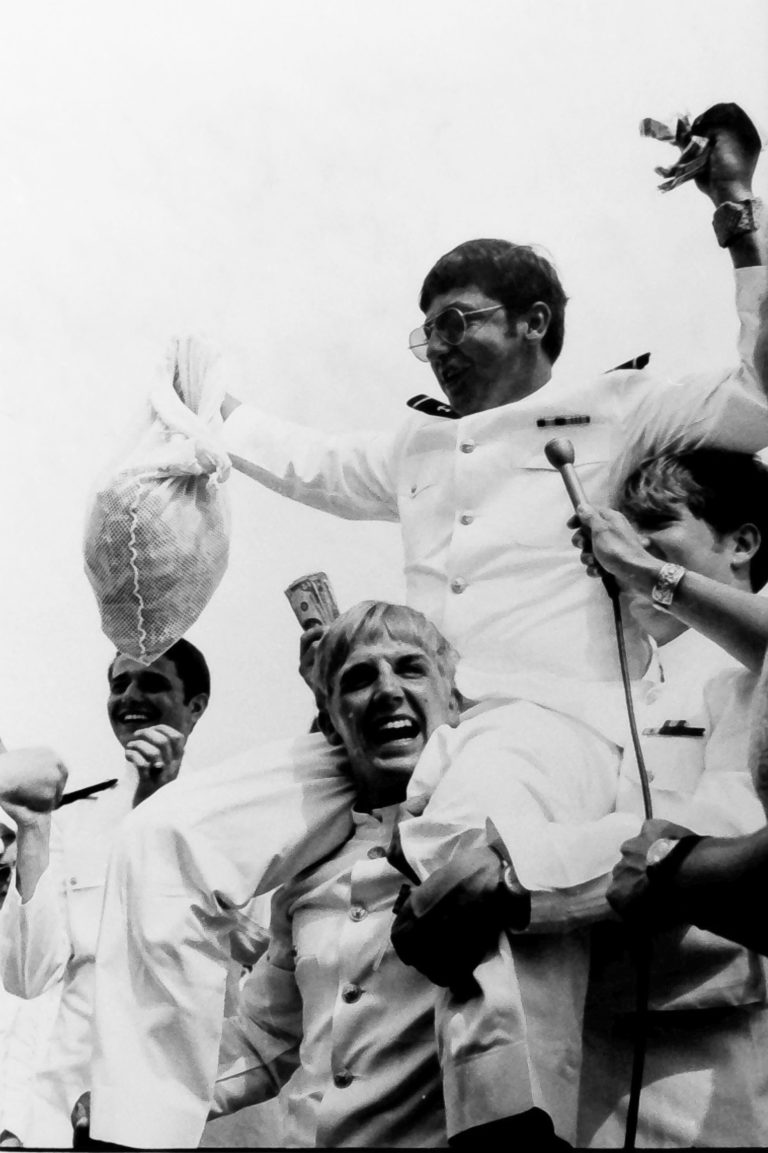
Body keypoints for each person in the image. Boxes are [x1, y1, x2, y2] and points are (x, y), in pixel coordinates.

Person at [88, 105, 768, 1148]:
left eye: (458, 322)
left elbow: (757, 390)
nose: (439, 348)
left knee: (470, 852)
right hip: (408, 720)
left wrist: (739, 213)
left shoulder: (616, 408)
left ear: (534, 321)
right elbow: (309, 461)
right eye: (427, 332)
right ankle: (133, 1130)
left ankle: (506, 1125)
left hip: (546, 721)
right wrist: (201, 410)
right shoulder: (413, 447)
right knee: (164, 836)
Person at [209, 601, 463, 1146]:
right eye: (359, 678)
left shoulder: (485, 832)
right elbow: (266, 1035)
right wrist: (134, 1099)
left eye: (410, 667)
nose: (388, 689)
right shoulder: (307, 873)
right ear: (329, 721)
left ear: (454, 699)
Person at [0, 641, 259, 1148]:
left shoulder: (232, 816)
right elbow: (29, 977)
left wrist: (160, 811)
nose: (131, 696)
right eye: (120, 684)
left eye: (153, 682)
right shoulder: (73, 821)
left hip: (180, 1110)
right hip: (63, 1115)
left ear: (196, 705)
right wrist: (33, 826)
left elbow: (250, 960)